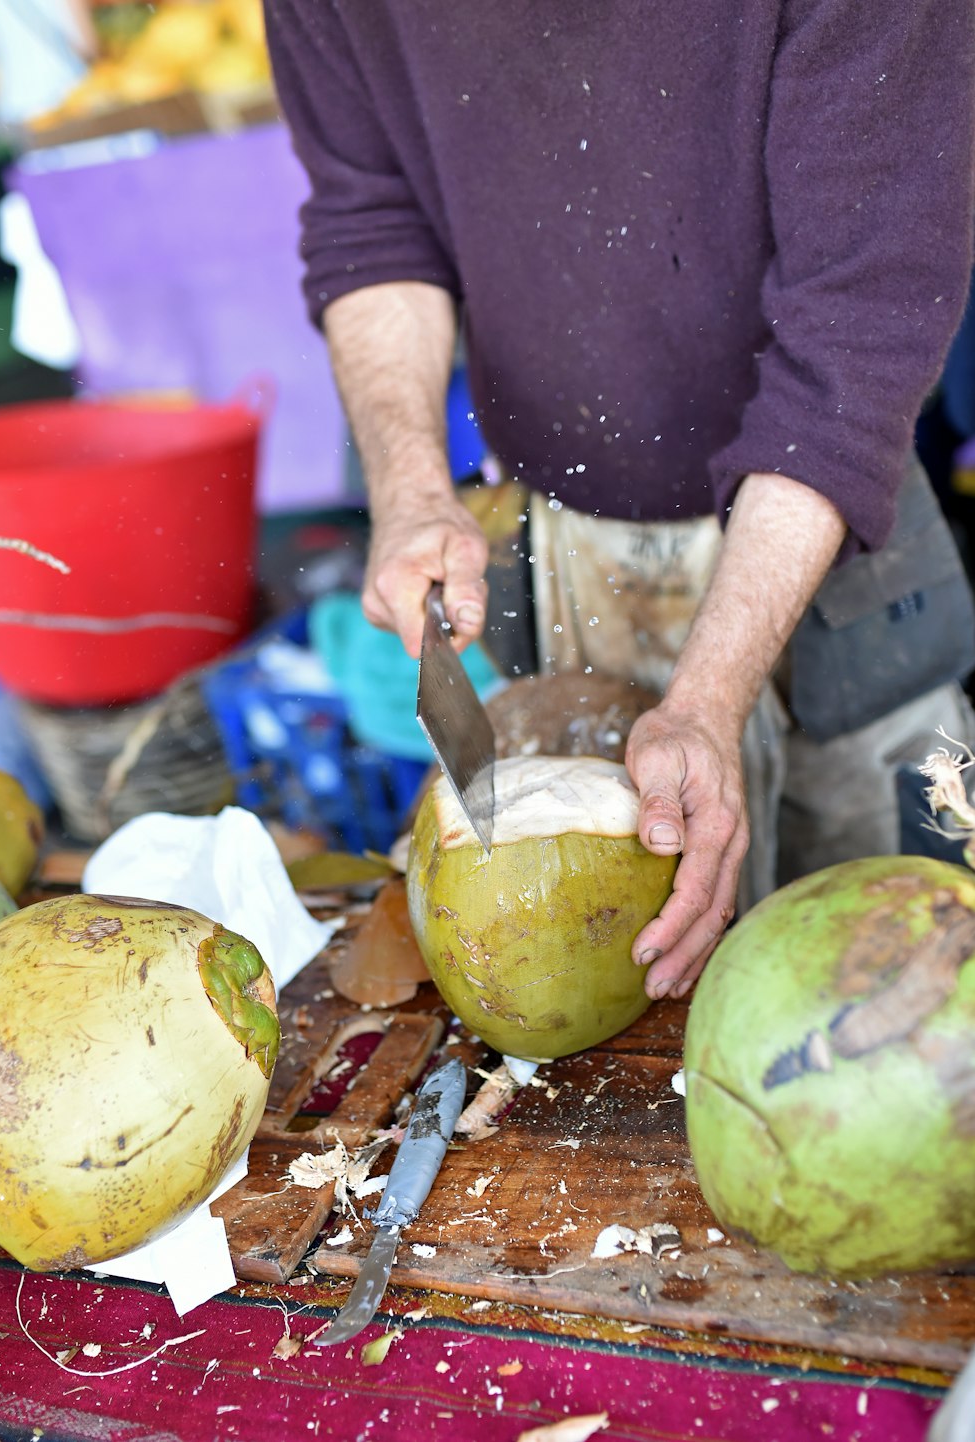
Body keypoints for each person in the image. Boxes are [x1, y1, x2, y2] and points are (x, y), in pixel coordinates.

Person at [264, 1, 975, 1001]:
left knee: (881, 997)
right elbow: (374, 215)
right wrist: (411, 484)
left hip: (827, 520)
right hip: (562, 534)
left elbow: (858, 321)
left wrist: (712, 691)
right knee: (597, 976)